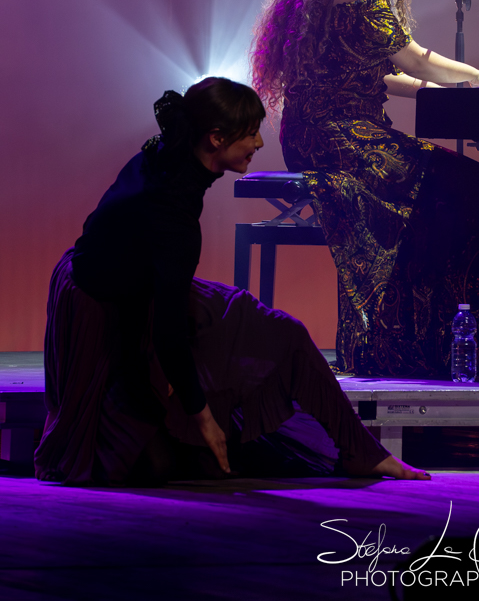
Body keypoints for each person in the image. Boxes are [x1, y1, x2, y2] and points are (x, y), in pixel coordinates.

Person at [34, 77, 429, 484]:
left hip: (143, 288)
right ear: (216, 138)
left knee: (284, 332)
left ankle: (361, 451)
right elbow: (168, 333)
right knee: (151, 464)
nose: (259, 143)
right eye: (251, 133)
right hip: (102, 304)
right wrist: (201, 415)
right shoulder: (170, 205)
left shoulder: (171, 157)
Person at [251, 0, 479, 379]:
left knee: (452, 184)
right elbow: (415, 60)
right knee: (462, 184)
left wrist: (446, 91)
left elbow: (382, 74)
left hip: (321, 132)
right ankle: (419, 338)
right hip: (335, 135)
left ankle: (420, 337)